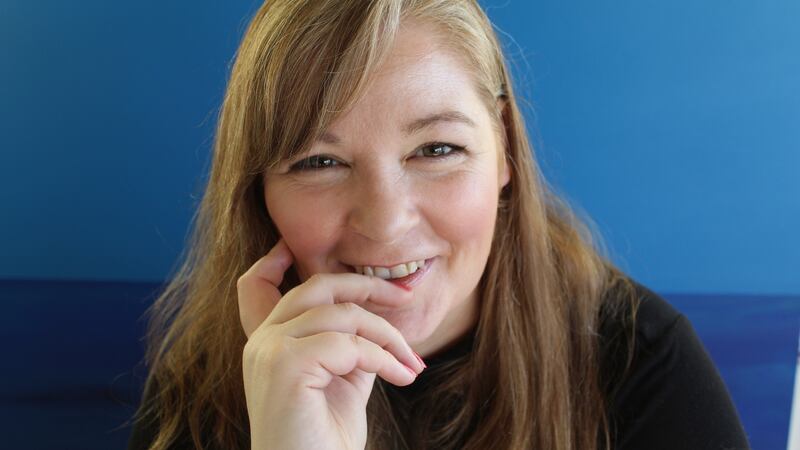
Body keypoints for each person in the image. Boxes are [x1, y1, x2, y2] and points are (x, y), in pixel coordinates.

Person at [127, 0, 751, 449]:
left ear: (504, 149)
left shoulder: (642, 367)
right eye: (319, 162)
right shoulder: (207, 381)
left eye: (436, 149)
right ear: (258, 192)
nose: (386, 222)